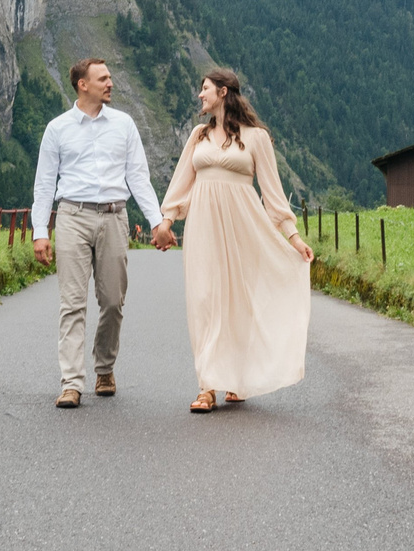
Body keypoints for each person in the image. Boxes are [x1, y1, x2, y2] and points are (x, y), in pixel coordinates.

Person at [160, 67, 312, 413]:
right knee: (204, 298)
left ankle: (238, 377)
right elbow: (181, 185)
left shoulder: (256, 137)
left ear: (224, 92)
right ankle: (207, 385)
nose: (200, 95)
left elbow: (273, 196)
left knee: (239, 301)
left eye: (205, 89)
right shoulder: (198, 136)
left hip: (244, 228)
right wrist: (167, 220)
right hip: (203, 227)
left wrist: (293, 238)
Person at [32, 57, 173, 408]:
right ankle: (71, 382)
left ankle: (105, 367)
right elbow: (44, 184)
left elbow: (138, 176)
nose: (110, 83)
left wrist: (157, 222)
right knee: (72, 303)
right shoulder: (58, 129)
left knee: (112, 301)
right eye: (103, 78)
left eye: (110, 78)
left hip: (114, 217)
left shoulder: (124, 125)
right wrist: (40, 230)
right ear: (83, 84)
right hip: (72, 217)